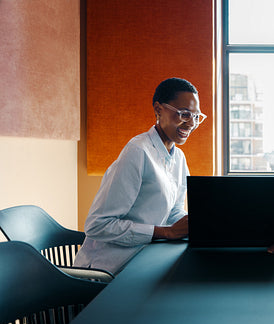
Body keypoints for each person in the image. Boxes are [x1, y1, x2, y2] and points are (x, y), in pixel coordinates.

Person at [74, 77, 207, 274]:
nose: (191, 123)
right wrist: (166, 233)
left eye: (196, 117)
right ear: (159, 109)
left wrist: (201, 222)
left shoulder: (179, 158)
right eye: (184, 114)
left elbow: (172, 213)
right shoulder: (137, 152)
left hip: (142, 262)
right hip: (105, 274)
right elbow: (97, 226)